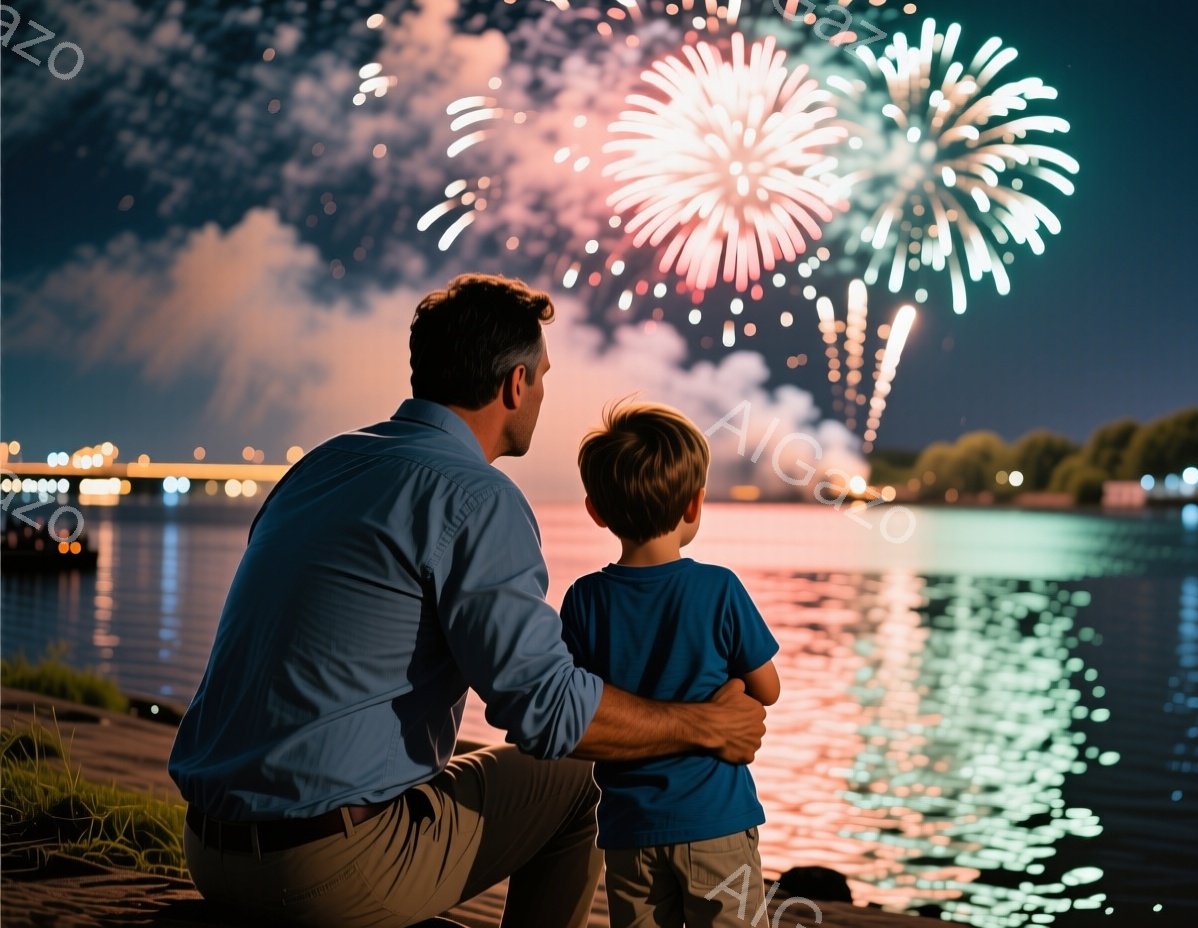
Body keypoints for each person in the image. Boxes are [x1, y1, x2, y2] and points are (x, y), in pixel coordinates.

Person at [167, 274, 767, 928]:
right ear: (515, 384)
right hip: (322, 870)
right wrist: (705, 725)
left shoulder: (321, 465)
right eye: (541, 376)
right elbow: (549, 714)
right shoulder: (476, 497)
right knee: (572, 780)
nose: (541, 392)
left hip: (209, 848)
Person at [559, 402, 782, 928]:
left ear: (596, 511)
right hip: (717, 824)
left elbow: (578, 704)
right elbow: (767, 689)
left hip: (629, 830)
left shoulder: (584, 599)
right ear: (694, 504)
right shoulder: (719, 587)